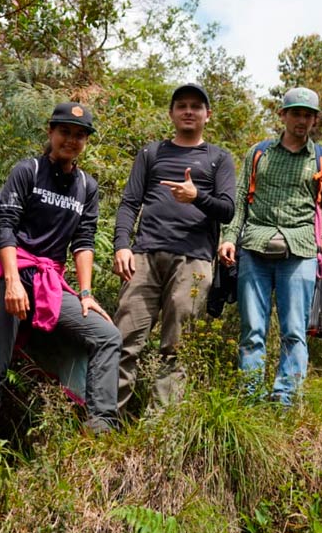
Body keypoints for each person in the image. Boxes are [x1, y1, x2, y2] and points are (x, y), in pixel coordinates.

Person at [0, 102, 120, 471]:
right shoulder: (28, 170)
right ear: (50, 132)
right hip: (11, 272)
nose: (71, 140)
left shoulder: (86, 186)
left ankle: (101, 433)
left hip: (49, 283)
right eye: (65, 132)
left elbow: (84, 241)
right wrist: (12, 282)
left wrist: (87, 294)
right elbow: (5, 226)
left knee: (107, 336)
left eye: (80, 135)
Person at [112, 84, 236, 414]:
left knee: (176, 347)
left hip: (193, 261)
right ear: (171, 113)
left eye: (196, 106)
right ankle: (106, 422)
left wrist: (197, 197)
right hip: (144, 256)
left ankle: (159, 425)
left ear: (208, 115)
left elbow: (228, 210)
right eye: (181, 105)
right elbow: (129, 203)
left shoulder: (218, 159)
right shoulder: (151, 153)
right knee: (123, 341)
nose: (188, 111)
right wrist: (122, 246)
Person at [218, 87, 322, 405]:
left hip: (300, 251)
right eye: (296, 113)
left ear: (314, 120)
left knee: (294, 330)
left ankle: (285, 399)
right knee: (252, 330)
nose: (301, 120)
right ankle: (249, 397)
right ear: (283, 115)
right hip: (254, 248)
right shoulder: (258, 153)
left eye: (308, 115)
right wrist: (229, 238)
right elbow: (240, 202)